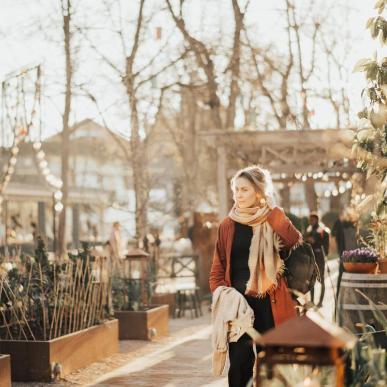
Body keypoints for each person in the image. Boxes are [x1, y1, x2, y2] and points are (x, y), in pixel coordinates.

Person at [209, 165, 302, 387]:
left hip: (270, 303)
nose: (238, 195)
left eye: (244, 190)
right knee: (240, 365)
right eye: (236, 190)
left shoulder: (271, 218)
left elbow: (292, 239)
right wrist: (223, 294)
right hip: (238, 305)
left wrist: (274, 211)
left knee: (271, 365)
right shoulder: (228, 224)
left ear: (259, 191)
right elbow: (217, 268)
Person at [304, 212, 330, 307]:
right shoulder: (308, 230)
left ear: (316, 220)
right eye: (310, 220)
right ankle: (312, 301)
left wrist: (316, 242)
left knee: (321, 279)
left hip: (320, 257)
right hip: (311, 258)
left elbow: (326, 245)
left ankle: (320, 302)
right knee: (311, 280)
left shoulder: (322, 230)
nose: (311, 222)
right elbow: (305, 241)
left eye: (312, 220)